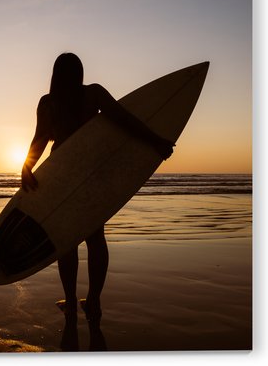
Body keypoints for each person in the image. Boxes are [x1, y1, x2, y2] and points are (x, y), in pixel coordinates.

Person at [21, 53, 173, 322]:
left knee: (66, 241)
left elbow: (40, 140)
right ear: (80, 72)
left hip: (61, 173)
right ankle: (93, 301)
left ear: (55, 74)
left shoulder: (48, 103)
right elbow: (126, 120)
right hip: (93, 173)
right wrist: (156, 141)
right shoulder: (93, 94)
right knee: (95, 237)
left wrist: (27, 166)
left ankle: (70, 302)